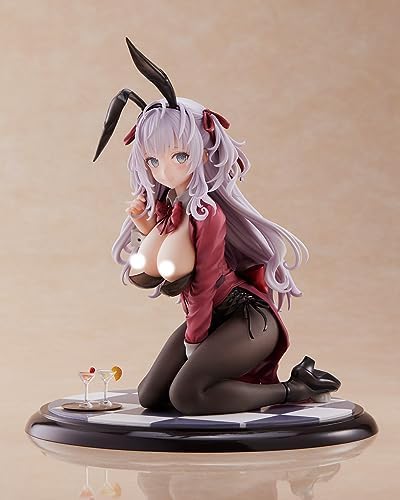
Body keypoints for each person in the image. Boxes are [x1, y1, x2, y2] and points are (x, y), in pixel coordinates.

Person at [93, 38, 341, 416]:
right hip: (212, 317)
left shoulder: (208, 213)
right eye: (153, 160)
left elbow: (203, 281)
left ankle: (296, 388)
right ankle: (222, 385)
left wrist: (195, 342)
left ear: (202, 150)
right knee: (150, 396)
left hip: (246, 318)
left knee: (188, 396)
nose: (165, 170)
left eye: (179, 155)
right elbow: (164, 259)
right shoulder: (170, 206)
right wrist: (145, 224)